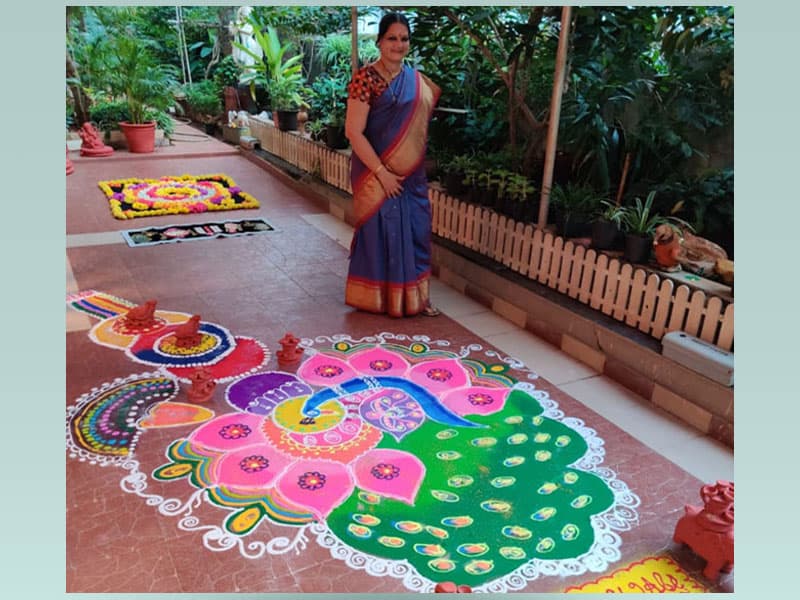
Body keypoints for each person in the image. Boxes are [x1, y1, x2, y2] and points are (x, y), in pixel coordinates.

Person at [344, 12, 441, 317]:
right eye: (392, 38)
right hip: (375, 174)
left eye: (404, 39)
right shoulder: (365, 78)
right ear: (379, 41)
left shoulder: (416, 81)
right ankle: (379, 299)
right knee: (380, 233)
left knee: (414, 230)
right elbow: (353, 132)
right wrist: (383, 174)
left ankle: (414, 299)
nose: (398, 44)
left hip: (410, 176)